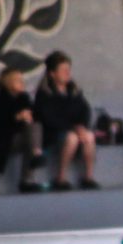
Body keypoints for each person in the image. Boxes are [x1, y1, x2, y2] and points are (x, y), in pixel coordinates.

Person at [34, 51, 98, 191]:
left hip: (75, 129)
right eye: (63, 70)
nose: (67, 73)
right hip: (52, 134)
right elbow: (49, 118)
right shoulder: (45, 93)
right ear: (52, 73)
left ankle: (88, 177)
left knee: (89, 136)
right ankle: (61, 177)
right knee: (72, 138)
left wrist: (81, 126)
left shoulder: (74, 90)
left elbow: (85, 110)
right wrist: (73, 128)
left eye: (68, 70)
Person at [0, 67, 45, 193]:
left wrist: (28, 116)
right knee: (31, 136)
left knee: (34, 128)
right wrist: (16, 117)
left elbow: (37, 116)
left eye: (22, 80)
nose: (22, 83)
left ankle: (29, 175)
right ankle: (36, 155)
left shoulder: (24, 98)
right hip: (1, 140)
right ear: (8, 82)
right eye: (17, 80)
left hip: (21, 137)